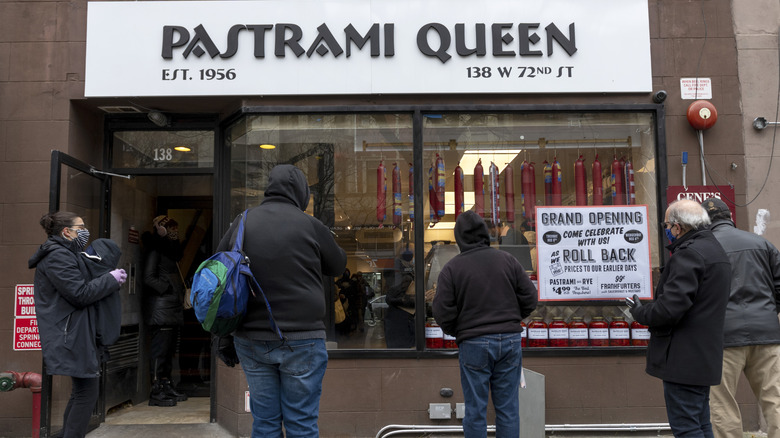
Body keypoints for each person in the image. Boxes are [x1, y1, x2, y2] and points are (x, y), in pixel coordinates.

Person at [215, 164, 346, 438]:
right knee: (301, 424)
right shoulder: (310, 225)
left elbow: (220, 276)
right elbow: (337, 265)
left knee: (264, 423)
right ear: (301, 192)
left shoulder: (242, 222)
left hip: (251, 339)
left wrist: (223, 336)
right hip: (303, 339)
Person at [628, 199, 732, 438]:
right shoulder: (714, 251)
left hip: (683, 357)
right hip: (703, 354)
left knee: (686, 427)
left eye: (667, 224)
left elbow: (669, 309)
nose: (666, 230)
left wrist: (639, 311)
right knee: (700, 423)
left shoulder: (689, 255)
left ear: (678, 226)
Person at [432, 210, 538, 438]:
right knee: (508, 409)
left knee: (475, 410)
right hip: (510, 340)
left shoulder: (452, 269)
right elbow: (530, 297)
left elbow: (441, 311)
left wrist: (460, 331)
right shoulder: (507, 260)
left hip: (473, 343)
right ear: (485, 233)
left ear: (459, 237)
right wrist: (511, 318)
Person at [28, 212, 126, 438]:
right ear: (66, 232)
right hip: (70, 333)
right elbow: (79, 294)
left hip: (74, 332)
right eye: (80, 227)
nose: (85, 231)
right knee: (86, 394)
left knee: (82, 392)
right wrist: (110, 279)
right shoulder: (57, 257)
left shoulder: (65, 253)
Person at [701, 198, 780, 438]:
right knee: (774, 398)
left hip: (722, 337)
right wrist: (767, 312)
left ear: (704, 223)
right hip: (767, 334)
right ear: (730, 217)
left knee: (722, 402)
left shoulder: (703, 248)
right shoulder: (762, 243)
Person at [142, 215, 188, 406]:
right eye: (171, 229)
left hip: (171, 308)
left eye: (176, 228)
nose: (174, 232)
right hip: (161, 309)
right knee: (160, 352)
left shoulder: (170, 252)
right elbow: (148, 278)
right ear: (161, 230)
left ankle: (166, 384)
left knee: (168, 352)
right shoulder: (155, 250)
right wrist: (168, 288)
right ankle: (157, 389)